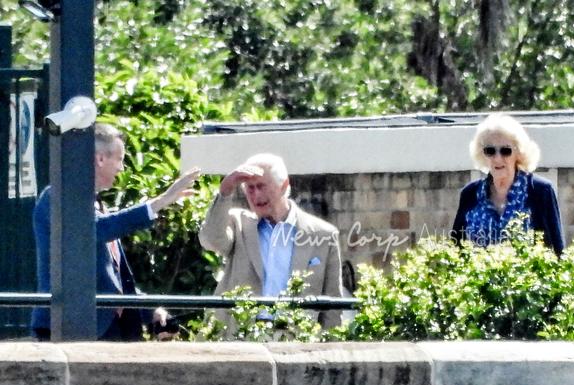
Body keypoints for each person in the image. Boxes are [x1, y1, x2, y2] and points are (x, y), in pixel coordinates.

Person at [31, 123, 200, 341]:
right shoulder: (57, 196)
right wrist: (160, 202)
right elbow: (97, 230)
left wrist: (151, 311)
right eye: (119, 159)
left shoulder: (97, 205)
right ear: (100, 159)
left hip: (107, 328)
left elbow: (111, 279)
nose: (122, 168)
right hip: (72, 327)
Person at [199, 153, 343, 336]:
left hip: (295, 338)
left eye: (261, 186)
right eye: (249, 188)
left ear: (284, 186)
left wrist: (330, 350)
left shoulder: (323, 234)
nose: (256, 195)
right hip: (240, 335)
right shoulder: (239, 224)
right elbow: (210, 240)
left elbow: (332, 303)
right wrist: (225, 192)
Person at [451, 113, 564, 254]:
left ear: (518, 152)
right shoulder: (470, 194)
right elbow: (455, 250)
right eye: (490, 151)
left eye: (505, 151)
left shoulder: (541, 192)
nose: (497, 158)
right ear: (482, 153)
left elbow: (558, 250)